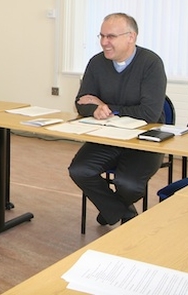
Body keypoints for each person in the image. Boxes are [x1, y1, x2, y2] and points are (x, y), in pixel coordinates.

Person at [68, 12, 166, 226]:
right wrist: (94, 108)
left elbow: (149, 114)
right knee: (79, 170)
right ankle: (121, 211)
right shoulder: (96, 63)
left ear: (131, 37)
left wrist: (105, 106)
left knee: (128, 184)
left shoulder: (151, 64)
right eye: (101, 36)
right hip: (107, 135)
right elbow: (81, 102)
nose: (104, 42)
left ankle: (110, 209)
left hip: (144, 139)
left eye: (111, 36)